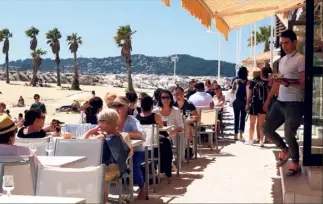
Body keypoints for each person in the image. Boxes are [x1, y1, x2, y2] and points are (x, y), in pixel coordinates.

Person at [263, 30, 305, 176]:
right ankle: (285, 150)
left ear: (295, 42)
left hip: (294, 103)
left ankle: (295, 163)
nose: (284, 46)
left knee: (288, 134)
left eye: (287, 42)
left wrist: (285, 84)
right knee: (267, 129)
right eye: (282, 43)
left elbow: (302, 83)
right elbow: (277, 83)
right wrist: (268, 99)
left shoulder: (301, 59)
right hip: (280, 102)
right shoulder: (282, 60)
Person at [83, 108, 130, 202]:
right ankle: (105, 199)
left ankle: (100, 200)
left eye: (99, 122)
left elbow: (84, 143)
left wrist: (90, 132)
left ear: (106, 122)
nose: (98, 124)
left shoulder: (102, 138)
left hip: (107, 171)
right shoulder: (120, 136)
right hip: (119, 169)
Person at [110, 96, 147, 199]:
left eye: (119, 106)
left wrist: (123, 133)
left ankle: (142, 187)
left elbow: (141, 135)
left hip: (136, 151)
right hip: (117, 152)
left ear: (126, 107)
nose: (116, 108)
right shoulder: (111, 121)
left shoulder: (132, 121)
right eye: (114, 106)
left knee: (133, 165)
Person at [153, 90, 184, 179]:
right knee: (160, 143)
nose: (165, 99)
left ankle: (164, 168)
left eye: (167, 97)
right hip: (158, 137)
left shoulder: (176, 111)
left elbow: (181, 127)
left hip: (172, 137)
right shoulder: (155, 112)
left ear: (171, 99)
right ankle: (164, 168)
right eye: (163, 97)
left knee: (163, 143)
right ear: (160, 99)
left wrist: (173, 132)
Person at [245, 68, 269, 146]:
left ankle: (251, 141)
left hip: (254, 104)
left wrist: (247, 104)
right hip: (262, 104)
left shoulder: (252, 82)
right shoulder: (265, 82)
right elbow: (267, 94)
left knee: (252, 124)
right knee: (261, 124)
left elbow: (249, 96)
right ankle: (261, 141)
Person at [231, 66, 248, 141]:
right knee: (243, 118)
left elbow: (232, 92)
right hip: (244, 101)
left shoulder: (236, 81)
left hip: (236, 101)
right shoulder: (248, 82)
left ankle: (235, 134)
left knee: (236, 117)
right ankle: (241, 135)